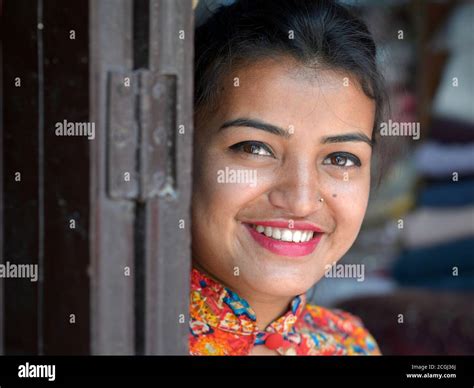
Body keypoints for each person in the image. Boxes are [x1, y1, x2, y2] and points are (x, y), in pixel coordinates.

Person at [190, 0, 386, 355]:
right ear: (179, 152)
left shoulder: (350, 345)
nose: (300, 200)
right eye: (254, 148)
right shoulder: (119, 336)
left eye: (340, 158)